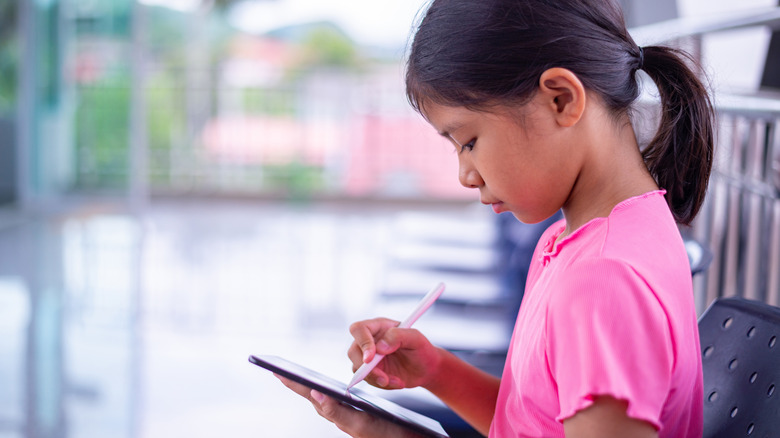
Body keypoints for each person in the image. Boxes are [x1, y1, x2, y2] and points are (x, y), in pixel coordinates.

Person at [277, 0, 714, 436]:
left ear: (561, 99)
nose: (465, 175)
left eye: (468, 141)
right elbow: (533, 420)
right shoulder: (599, 235)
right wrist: (436, 370)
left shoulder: (602, 279)